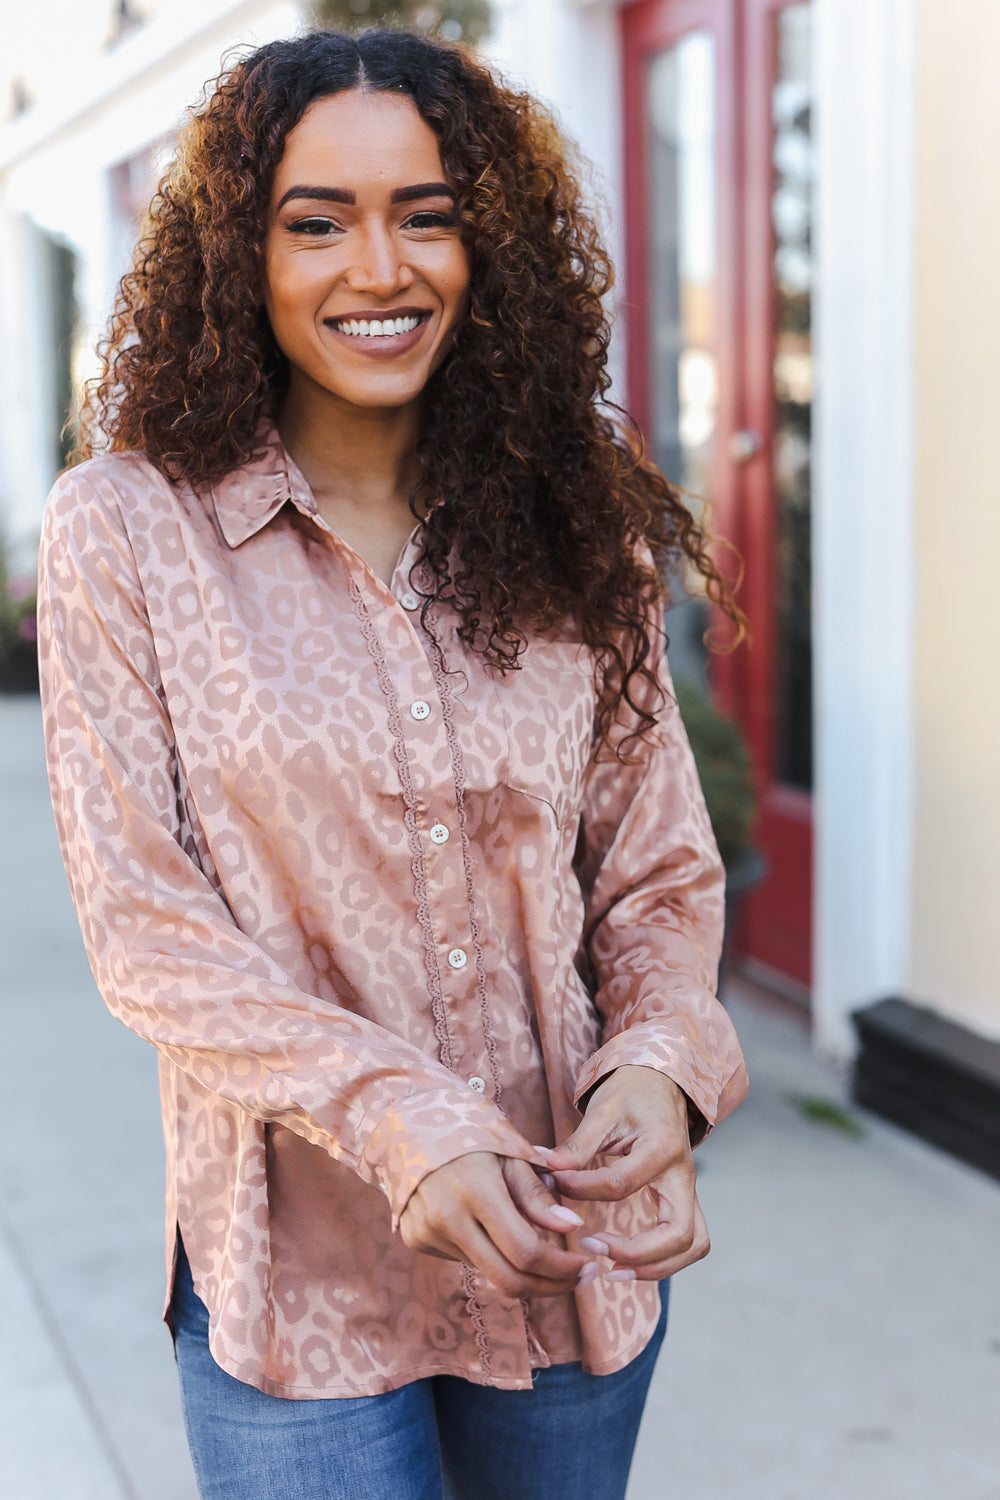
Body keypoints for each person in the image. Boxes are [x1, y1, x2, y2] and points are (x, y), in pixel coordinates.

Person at [38, 26, 748, 1500]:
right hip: (301, 1297)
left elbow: (658, 871)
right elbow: (146, 927)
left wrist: (663, 1073)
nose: (382, 269)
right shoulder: (126, 533)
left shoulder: (580, 534)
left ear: (485, 246)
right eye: (319, 223)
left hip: (572, 1256)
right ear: (245, 255)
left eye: (427, 214)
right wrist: (401, 1117)